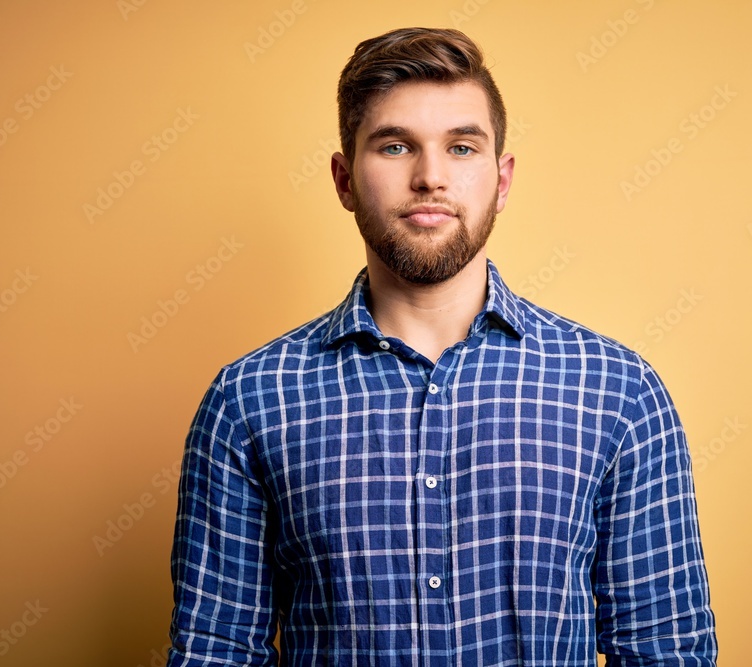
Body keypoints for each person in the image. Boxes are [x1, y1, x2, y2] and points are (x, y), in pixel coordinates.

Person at [167, 26, 717, 666]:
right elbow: (217, 653)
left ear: (502, 180)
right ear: (344, 180)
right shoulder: (249, 402)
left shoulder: (619, 394)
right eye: (396, 146)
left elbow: (665, 651)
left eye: (461, 147)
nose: (430, 177)